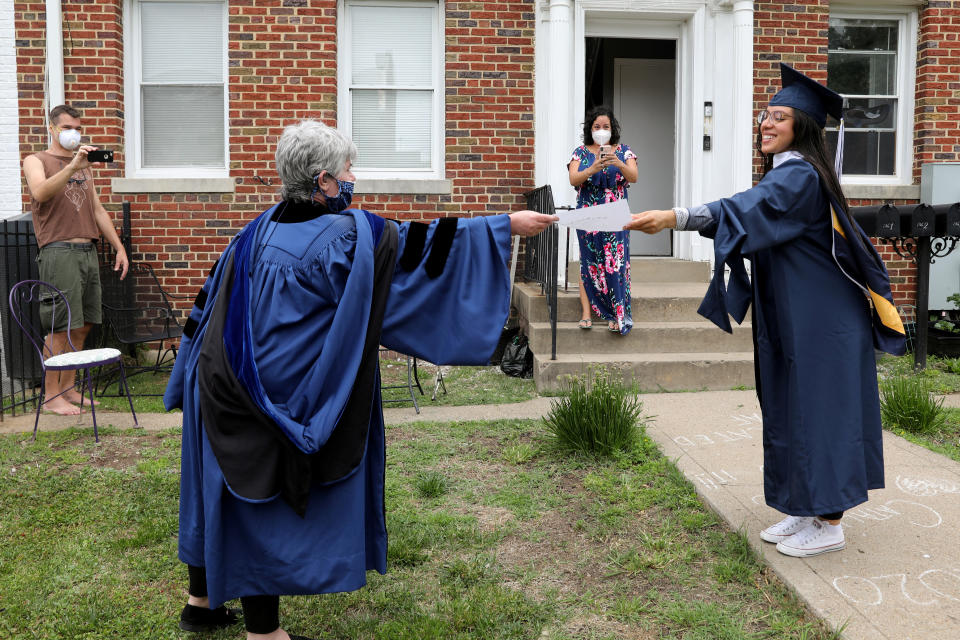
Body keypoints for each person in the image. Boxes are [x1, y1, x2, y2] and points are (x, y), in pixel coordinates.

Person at [164, 120, 557, 640]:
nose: (355, 178)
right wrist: (503, 226)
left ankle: (202, 603)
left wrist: (183, 379)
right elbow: (424, 247)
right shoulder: (347, 236)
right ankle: (264, 635)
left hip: (213, 379)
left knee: (216, 489)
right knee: (260, 502)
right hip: (274, 394)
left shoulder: (252, 231)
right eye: (349, 169)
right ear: (325, 180)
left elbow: (206, 304)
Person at [624, 64, 906, 558]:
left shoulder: (799, 175)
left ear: (803, 126)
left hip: (822, 322)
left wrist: (677, 217)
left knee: (819, 412)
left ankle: (830, 521)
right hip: (794, 315)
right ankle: (805, 507)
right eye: (764, 115)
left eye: (778, 116)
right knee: (790, 406)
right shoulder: (792, 171)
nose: (766, 124)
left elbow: (747, 210)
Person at [22, 104, 129, 416]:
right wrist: (71, 166)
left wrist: (118, 247)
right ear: (53, 128)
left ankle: (69, 389)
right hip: (58, 251)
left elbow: (96, 209)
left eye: (77, 127)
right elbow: (40, 192)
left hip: (86, 251)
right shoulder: (36, 160)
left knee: (83, 325)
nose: (73, 133)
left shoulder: (84, 165)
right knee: (59, 325)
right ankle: (51, 394)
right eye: (67, 127)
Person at [568, 106, 638, 334]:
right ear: (590, 129)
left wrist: (616, 162)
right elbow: (573, 178)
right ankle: (586, 313)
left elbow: (633, 177)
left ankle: (614, 312)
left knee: (615, 262)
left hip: (616, 213)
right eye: (597, 127)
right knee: (588, 263)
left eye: (605, 126)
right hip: (588, 211)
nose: (601, 130)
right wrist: (594, 167)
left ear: (612, 129)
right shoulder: (581, 152)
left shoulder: (624, 151)